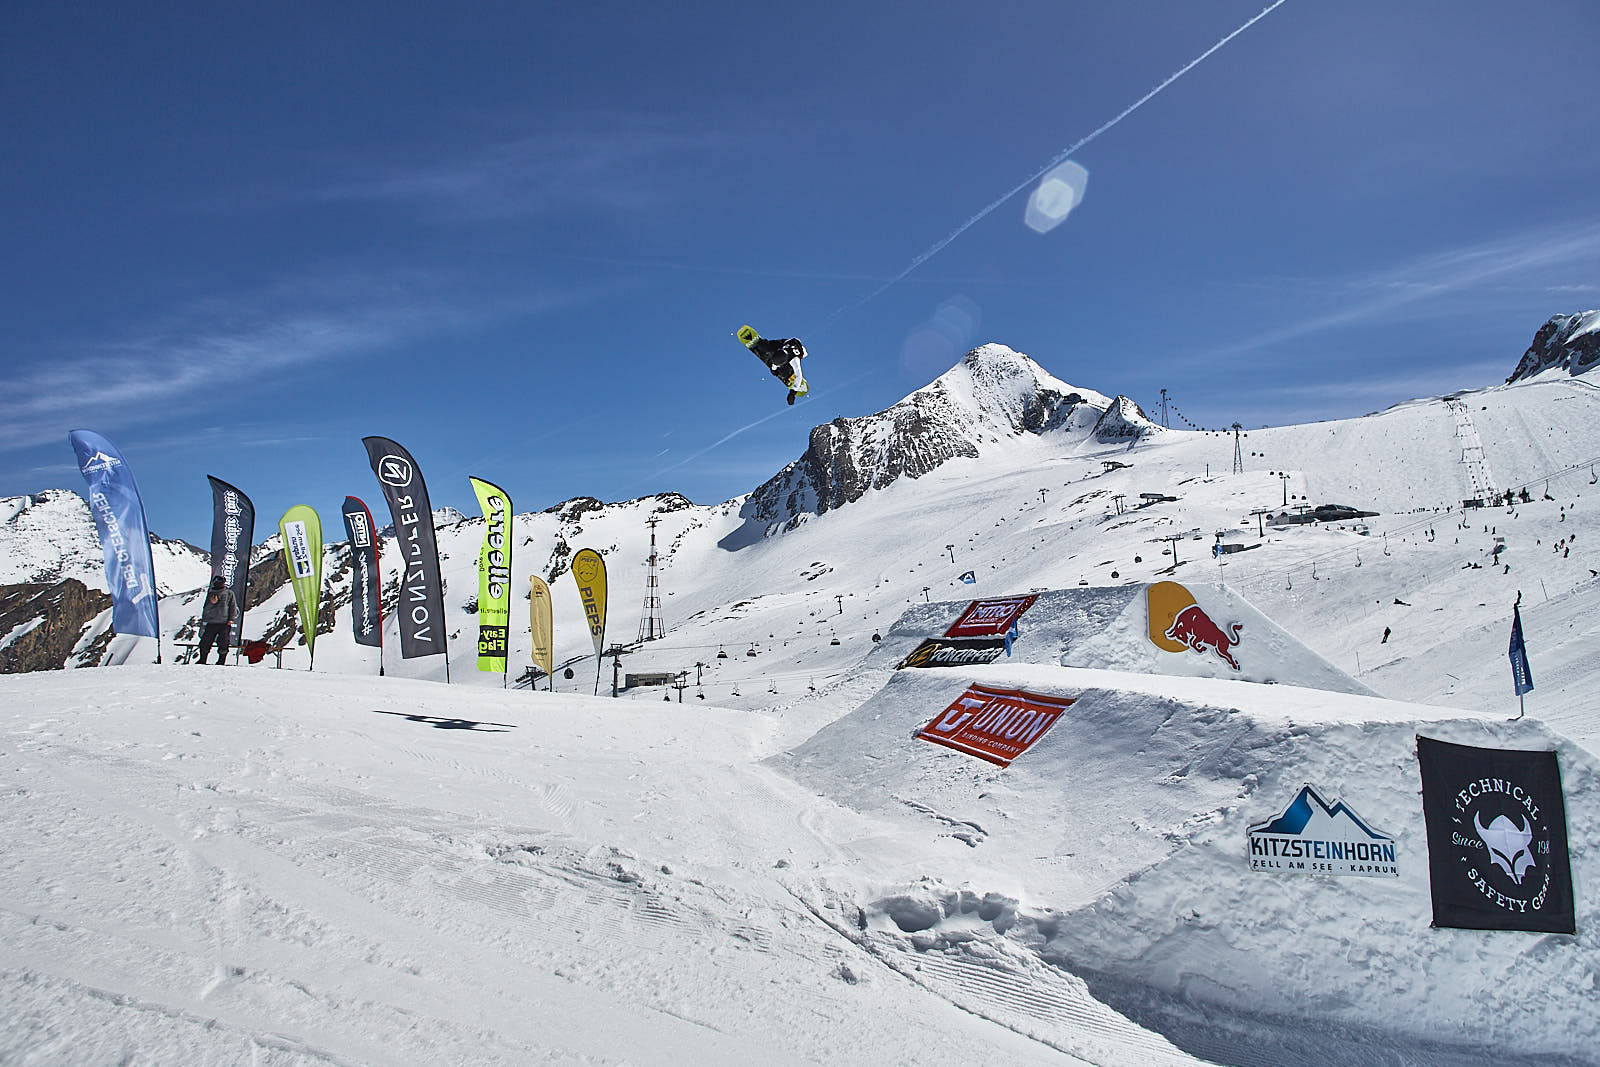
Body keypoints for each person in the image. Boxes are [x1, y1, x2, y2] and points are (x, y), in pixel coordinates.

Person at [749, 336, 809, 405]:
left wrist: (792, 393)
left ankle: (788, 373)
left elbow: (799, 376)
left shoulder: (794, 360)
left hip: (792, 354)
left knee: (783, 370)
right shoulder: (780, 347)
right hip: (783, 344)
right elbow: (776, 361)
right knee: (765, 348)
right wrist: (773, 368)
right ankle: (763, 347)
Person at [197, 576, 238, 664]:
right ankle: (202, 659)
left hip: (224, 623)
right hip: (212, 622)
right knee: (205, 641)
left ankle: (221, 661)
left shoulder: (229, 593)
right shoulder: (211, 593)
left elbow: (233, 606)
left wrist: (231, 619)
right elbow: (206, 608)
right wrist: (212, 603)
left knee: (223, 642)